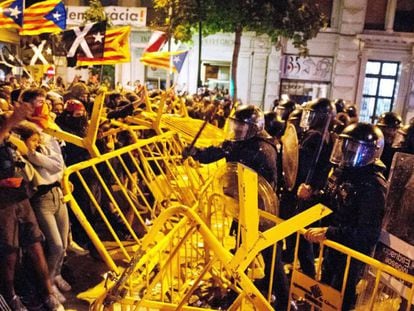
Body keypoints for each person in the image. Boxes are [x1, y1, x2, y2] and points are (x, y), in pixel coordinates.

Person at [183, 104, 289, 310]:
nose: (237, 130)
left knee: (272, 259)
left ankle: (282, 301)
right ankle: (240, 289)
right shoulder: (239, 143)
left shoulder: (264, 149)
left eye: (242, 127)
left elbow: (265, 186)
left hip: (263, 212)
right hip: (242, 210)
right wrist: (195, 152)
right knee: (242, 253)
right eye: (236, 126)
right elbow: (217, 151)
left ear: (254, 128)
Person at [303, 122, 387, 311]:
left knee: (340, 301)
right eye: (346, 145)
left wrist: (329, 232)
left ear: (371, 152)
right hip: (335, 251)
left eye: (355, 147)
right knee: (324, 297)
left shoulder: (373, 186)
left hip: (352, 258)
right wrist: (313, 195)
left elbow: (366, 234)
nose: (348, 151)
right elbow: (334, 202)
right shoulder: (346, 173)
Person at [0, 89, 64, 311]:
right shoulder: (6, 124)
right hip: (2, 201)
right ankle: (10, 297)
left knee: (36, 244)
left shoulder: (9, 124)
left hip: (19, 194)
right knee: (9, 251)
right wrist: (12, 122)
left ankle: (47, 293)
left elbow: (27, 140)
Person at [15, 123, 71, 304]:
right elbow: (29, 176)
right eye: (33, 140)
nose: (37, 143)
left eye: (38, 139)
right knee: (54, 244)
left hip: (57, 195)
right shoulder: (22, 158)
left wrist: (35, 154)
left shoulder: (42, 149)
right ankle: (47, 283)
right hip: (41, 199)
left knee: (63, 243)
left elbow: (57, 166)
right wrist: (30, 155)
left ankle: (56, 274)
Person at [294, 98, 336, 277]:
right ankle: (308, 272)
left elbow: (301, 165)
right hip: (315, 191)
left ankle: (308, 275)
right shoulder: (329, 135)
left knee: (304, 238)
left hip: (306, 191)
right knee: (305, 237)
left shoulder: (315, 136)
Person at [376, 111, 402, 178]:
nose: (391, 133)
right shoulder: (374, 147)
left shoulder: (397, 150)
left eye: (394, 129)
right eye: (388, 128)